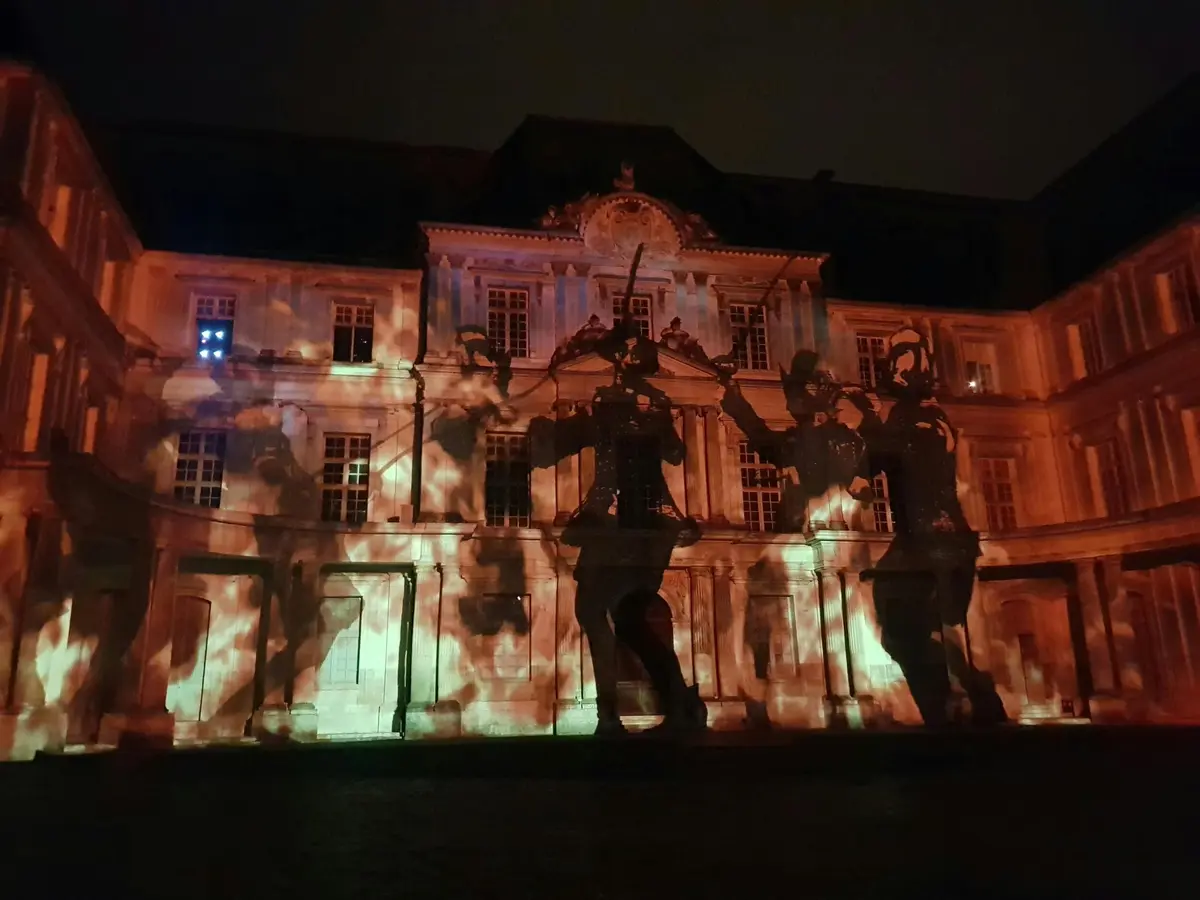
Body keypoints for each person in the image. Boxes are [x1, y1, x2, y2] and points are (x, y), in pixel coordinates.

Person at [862, 327, 1008, 726]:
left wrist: (863, 426)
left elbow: (878, 460)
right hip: (949, 537)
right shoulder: (932, 415)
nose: (898, 372)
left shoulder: (912, 417)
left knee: (918, 626)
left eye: (901, 365)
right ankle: (970, 696)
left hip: (929, 538)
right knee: (945, 625)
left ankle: (958, 696)